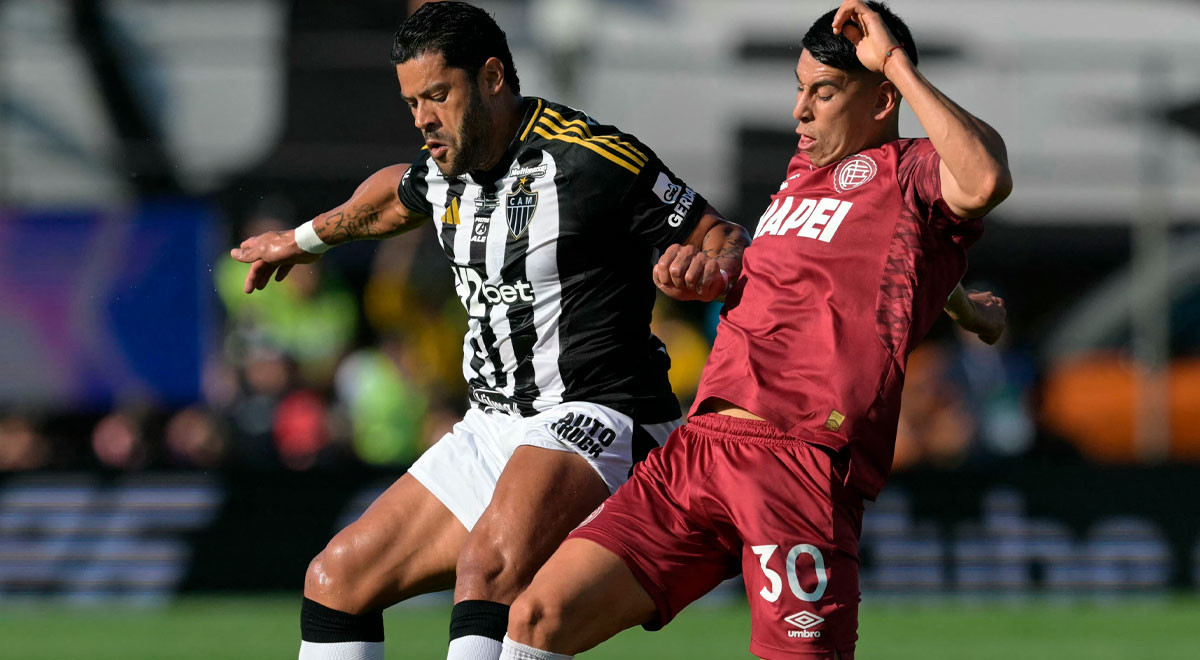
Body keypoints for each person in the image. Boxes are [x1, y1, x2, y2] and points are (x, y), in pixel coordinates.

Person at [229, 3, 749, 660]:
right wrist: (306, 240)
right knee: (337, 579)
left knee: (488, 569)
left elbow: (721, 233)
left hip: (598, 415)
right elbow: (395, 195)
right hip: (493, 425)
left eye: (437, 95)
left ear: (494, 77)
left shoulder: (591, 159)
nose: (422, 118)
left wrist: (710, 265)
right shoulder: (446, 161)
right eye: (412, 101)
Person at [501, 2, 1011, 659]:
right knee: (540, 616)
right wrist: (709, 275)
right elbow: (857, 271)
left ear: (883, 99)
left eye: (823, 92)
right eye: (799, 90)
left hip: (799, 462)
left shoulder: (912, 169)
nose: (800, 109)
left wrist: (896, 63)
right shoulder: (800, 179)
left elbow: (986, 179)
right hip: (699, 450)